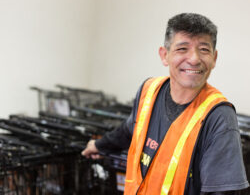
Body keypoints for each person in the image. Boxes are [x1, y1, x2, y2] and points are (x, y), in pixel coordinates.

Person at [81, 13, 249, 194]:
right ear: (164, 55)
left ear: (214, 58)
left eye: (204, 50)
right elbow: (131, 129)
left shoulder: (219, 117)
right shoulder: (149, 90)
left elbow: (222, 192)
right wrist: (99, 145)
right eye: (182, 49)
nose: (194, 59)